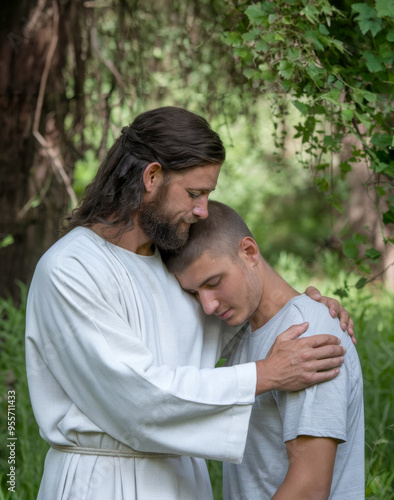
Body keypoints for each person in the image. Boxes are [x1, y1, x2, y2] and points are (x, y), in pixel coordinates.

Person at [26, 106, 353, 500]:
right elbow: (137, 399)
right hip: (102, 481)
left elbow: (254, 310)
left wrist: (312, 308)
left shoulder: (176, 268)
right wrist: (266, 374)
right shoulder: (72, 268)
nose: (202, 210)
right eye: (195, 193)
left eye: (208, 195)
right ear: (152, 177)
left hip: (183, 482)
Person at [164, 200, 365, 500]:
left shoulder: (309, 333)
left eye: (214, 282)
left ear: (249, 252)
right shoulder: (242, 332)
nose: (208, 305)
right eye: (195, 292)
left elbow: (309, 488)